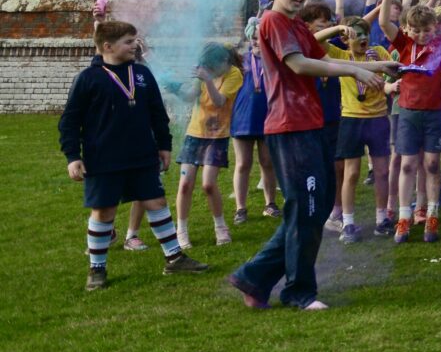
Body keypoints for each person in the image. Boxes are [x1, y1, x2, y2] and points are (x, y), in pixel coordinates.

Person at [228, 0, 394, 311]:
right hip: (290, 126)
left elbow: (327, 55)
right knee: (307, 208)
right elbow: (300, 65)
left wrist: (376, 66)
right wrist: (355, 72)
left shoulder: (295, 26)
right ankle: (298, 292)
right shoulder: (273, 21)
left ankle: (253, 278)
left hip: (309, 124)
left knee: (309, 210)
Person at [60, 17, 210, 291]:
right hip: (103, 158)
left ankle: (174, 258)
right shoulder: (88, 79)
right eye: (128, 42)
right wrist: (73, 156)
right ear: (107, 46)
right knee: (104, 211)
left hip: (142, 154)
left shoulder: (142, 74)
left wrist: (163, 145)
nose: (134, 46)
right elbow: (69, 121)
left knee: (157, 202)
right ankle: (97, 269)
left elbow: (157, 113)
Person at [387, 0, 441, 244]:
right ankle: (404, 218)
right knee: (407, 165)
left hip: (434, 113)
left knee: (433, 165)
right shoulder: (404, 44)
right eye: (416, 30)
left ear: (435, 27)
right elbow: (384, 23)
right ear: (407, 29)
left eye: (427, 30)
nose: (422, 35)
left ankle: (432, 213)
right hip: (408, 113)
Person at [324, 13, 391, 243]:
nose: (363, 38)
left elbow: (391, 75)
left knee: (382, 171)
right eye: (356, 35)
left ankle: (382, 219)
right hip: (351, 119)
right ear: (346, 39)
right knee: (351, 173)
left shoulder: (379, 54)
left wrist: (392, 86)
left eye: (365, 34)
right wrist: (338, 29)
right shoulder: (341, 55)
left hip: (378, 118)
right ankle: (348, 222)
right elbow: (313, 42)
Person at [172, 40, 240, 250]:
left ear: (224, 61)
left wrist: (208, 79)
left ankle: (220, 227)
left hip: (217, 136)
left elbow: (219, 101)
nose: (210, 71)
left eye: (213, 68)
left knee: (208, 185)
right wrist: (175, 89)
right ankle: (181, 231)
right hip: (195, 133)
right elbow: (191, 97)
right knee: (185, 185)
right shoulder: (206, 72)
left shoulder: (234, 74)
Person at [226, 22, 278, 224]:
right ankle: (240, 208)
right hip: (243, 118)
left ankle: (270, 204)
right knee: (243, 164)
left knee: (267, 162)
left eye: (261, 38)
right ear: (249, 39)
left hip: (269, 117)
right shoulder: (241, 61)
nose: (258, 42)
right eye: (254, 38)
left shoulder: (273, 61)